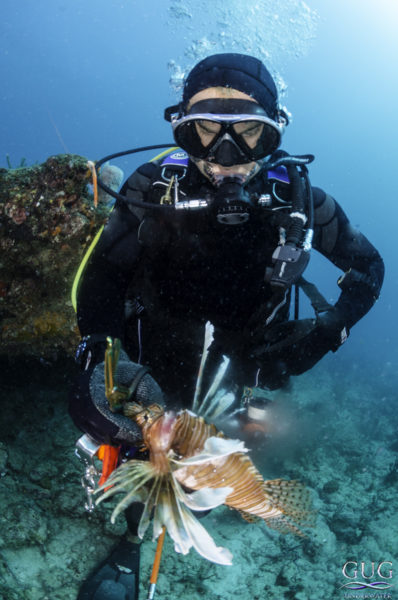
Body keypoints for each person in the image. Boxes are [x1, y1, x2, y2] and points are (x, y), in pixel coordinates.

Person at [69, 53, 384, 599]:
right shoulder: (151, 186)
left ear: (275, 131)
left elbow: (369, 268)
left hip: (245, 351)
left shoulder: (299, 198)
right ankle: (131, 544)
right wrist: (97, 352)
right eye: (205, 133)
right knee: (150, 448)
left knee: (225, 446)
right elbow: (98, 280)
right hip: (158, 340)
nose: (226, 157)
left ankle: (238, 499)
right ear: (180, 130)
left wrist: (331, 329)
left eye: (249, 135)